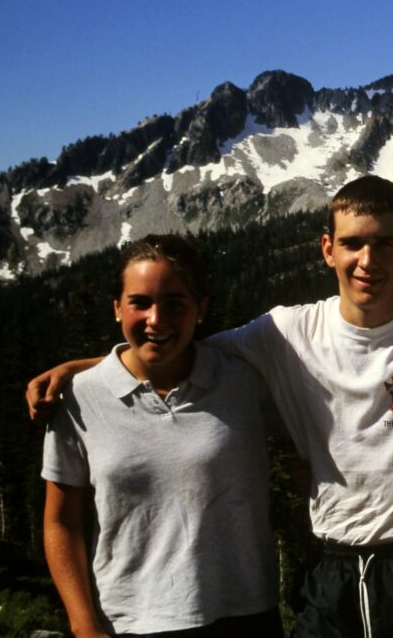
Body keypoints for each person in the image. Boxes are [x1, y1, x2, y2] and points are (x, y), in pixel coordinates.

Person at [30, 176, 393, 638]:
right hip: (333, 570)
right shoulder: (285, 334)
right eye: (352, 244)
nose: (368, 260)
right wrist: (90, 367)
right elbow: (176, 345)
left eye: (385, 243)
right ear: (327, 249)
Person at [41, 235, 282, 637]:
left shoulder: (242, 380)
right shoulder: (80, 397)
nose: (157, 319)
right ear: (117, 308)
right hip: (131, 620)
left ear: (200, 309)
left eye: (175, 303)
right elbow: (61, 522)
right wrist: (84, 624)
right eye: (140, 302)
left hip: (246, 613)